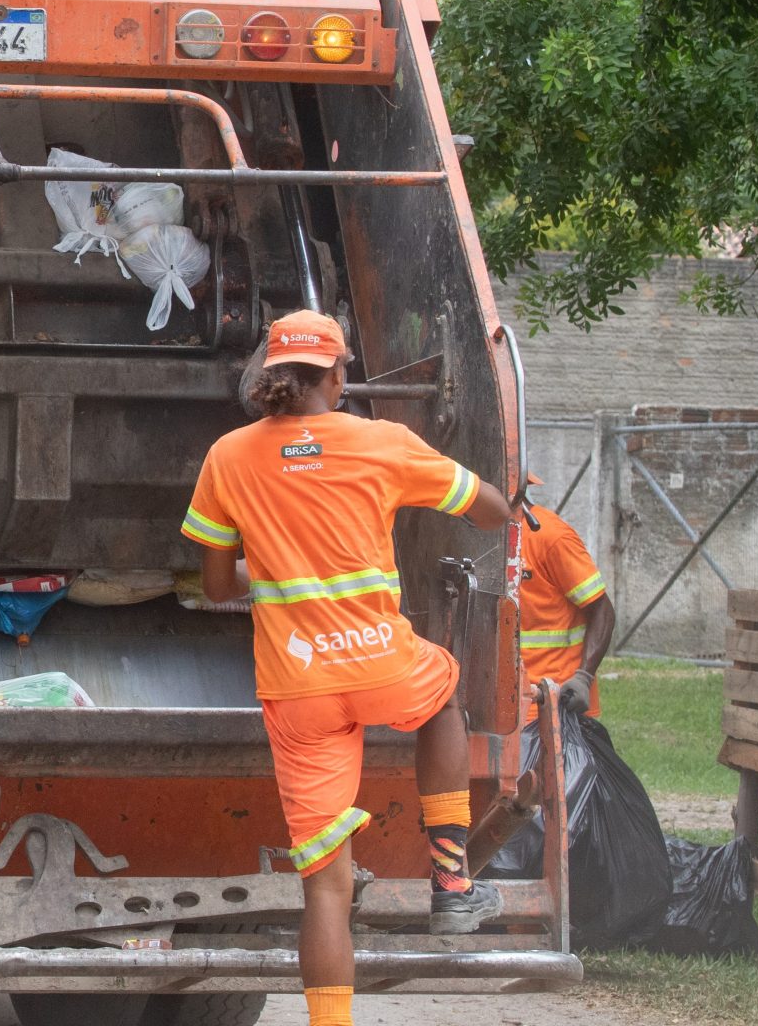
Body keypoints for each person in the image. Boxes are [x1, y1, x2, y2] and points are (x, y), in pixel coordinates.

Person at [181, 310, 511, 1026]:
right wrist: (508, 505)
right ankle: (451, 883)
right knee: (443, 692)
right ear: (339, 374)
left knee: (326, 893)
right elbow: (487, 509)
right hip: (381, 665)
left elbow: (215, 586)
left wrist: (271, 570)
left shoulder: (228, 457)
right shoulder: (383, 442)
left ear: (269, 376)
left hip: (297, 688)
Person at [513, 473, 613, 722]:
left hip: (557, 701)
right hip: (506, 701)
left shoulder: (550, 537)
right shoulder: (482, 539)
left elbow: (602, 610)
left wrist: (583, 678)